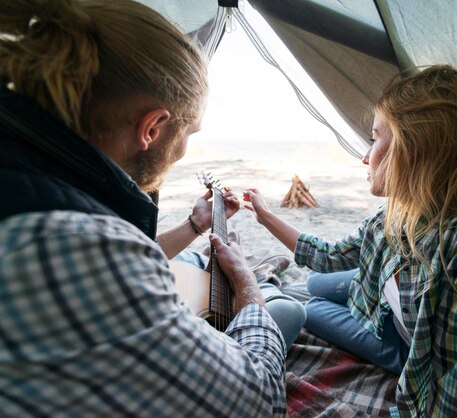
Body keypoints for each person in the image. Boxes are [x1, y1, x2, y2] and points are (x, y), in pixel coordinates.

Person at [0, 1, 286, 416]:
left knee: (189, 258)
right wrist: (246, 284)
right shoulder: (71, 245)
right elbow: (259, 400)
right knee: (283, 312)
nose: (184, 149)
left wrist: (194, 223)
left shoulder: (27, 168)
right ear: (152, 127)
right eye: (188, 132)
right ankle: (268, 283)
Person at [243, 65, 457, 417]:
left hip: (405, 346)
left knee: (308, 306)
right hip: (387, 305)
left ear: (413, 144)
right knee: (316, 281)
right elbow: (328, 256)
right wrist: (264, 214)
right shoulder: (399, 215)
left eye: (374, 138)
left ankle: (280, 297)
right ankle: (300, 296)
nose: (366, 157)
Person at [158, 188, 306, 349]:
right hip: (218, 354)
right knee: (291, 310)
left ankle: (215, 264)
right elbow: (260, 366)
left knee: (187, 258)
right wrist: (242, 273)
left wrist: (198, 222)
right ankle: (257, 278)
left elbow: (147, 251)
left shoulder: (130, 254)